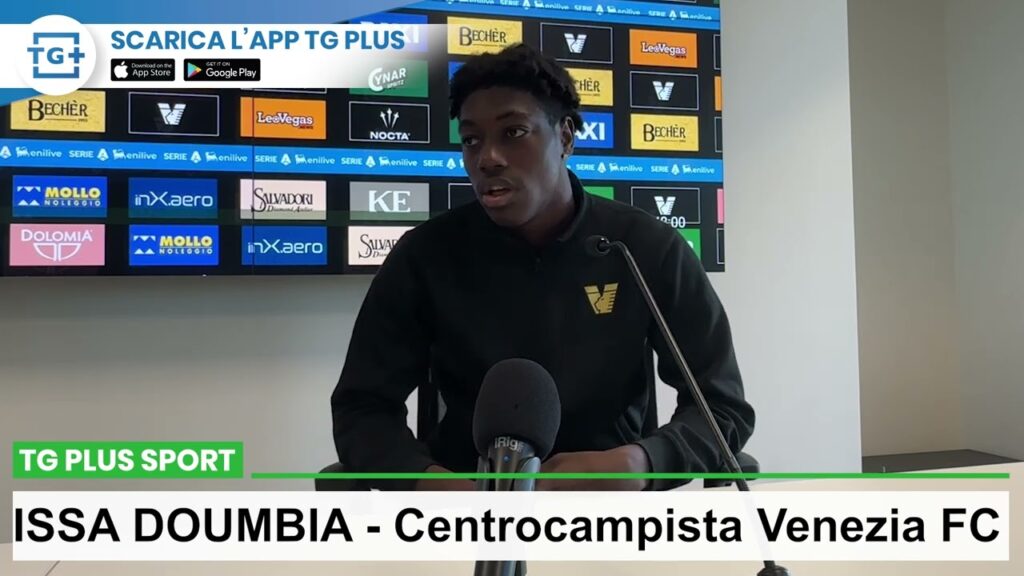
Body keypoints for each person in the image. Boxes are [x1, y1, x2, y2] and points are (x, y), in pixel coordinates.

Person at [332, 43, 754, 491]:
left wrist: (639, 463)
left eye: (513, 132)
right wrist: (430, 483)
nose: (487, 158)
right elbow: (362, 409)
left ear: (565, 138)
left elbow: (722, 407)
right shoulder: (424, 256)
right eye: (471, 140)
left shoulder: (643, 248)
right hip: (465, 506)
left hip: (611, 508)